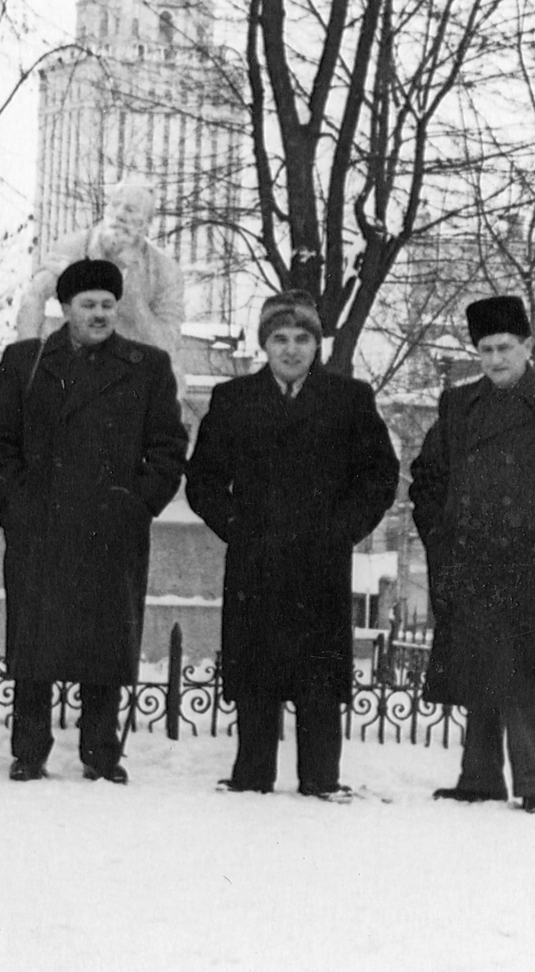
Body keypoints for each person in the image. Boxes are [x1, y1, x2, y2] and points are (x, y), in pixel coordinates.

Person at [0, 258, 188, 784]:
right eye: (88, 304)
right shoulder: (26, 361)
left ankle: (101, 751)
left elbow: (168, 448)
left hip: (111, 525)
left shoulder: (147, 365)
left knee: (105, 642)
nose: (99, 314)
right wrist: (18, 505)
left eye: (108, 305)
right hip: (41, 526)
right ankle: (29, 751)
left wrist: (137, 505)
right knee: (34, 643)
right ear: (65, 308)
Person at [186, 291, 399, 800]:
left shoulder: (349, 399)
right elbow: (204, 480)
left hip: (320, 560)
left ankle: (321, 776)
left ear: (316, 344)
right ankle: (252, 774)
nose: (291, 349)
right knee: (255, 667)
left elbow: (379, 476)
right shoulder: (234, 399)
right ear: (265, 344)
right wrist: (238, 527)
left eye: (302, 338)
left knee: (319, 672)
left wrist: (343, 529)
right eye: (279, 338)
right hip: (255, 558)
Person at [409, 296, 535, 815]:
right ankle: (478, 779)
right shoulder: (458, 405)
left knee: (531, 678)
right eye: (486, 350)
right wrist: (440, 535)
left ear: (528, 346)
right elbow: (427, 478)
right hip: (471, 561)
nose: (495, 359)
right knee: (478, 669)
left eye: (505, 348)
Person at [13, 177, 186, 363]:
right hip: (74, 366)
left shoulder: (165, 270)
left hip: (131, 371)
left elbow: (168, 345)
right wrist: (25, 359)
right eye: (115, 205)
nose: (119, 215)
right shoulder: (73, 248)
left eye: (130, 209)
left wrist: (137, 308)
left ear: (146, 223)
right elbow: (34, 295)